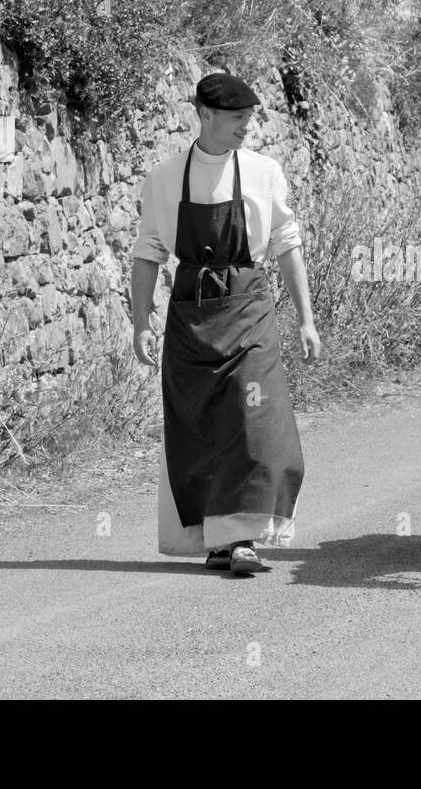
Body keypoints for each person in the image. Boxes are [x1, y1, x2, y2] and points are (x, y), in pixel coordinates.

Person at [130, 72, 320, 575]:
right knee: (201, 427)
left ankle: (244, 538)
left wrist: (306, 319)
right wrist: (140, 323)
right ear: (205, 114)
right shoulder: (164, 177)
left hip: (250, 310)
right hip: (191, 317)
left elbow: (286, 244)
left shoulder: (264, 172)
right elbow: (149, 252)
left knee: (256, 421)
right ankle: (218, 542)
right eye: (237, 118)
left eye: (249, 118)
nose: (245, 127)